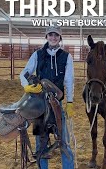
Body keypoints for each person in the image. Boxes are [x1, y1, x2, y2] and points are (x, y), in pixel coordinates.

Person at [19, 25, 75, 169]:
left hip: (57, 104)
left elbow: (69, 80)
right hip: (40, 106)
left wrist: (70, 101)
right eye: (51, 35)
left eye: (56, 35)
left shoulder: (66, 56)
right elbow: (24, 73)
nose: (53, 37)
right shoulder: (37, 55)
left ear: (60, 38)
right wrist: (26, 86)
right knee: (40, 143)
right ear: (47, 37)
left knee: (64, 141)